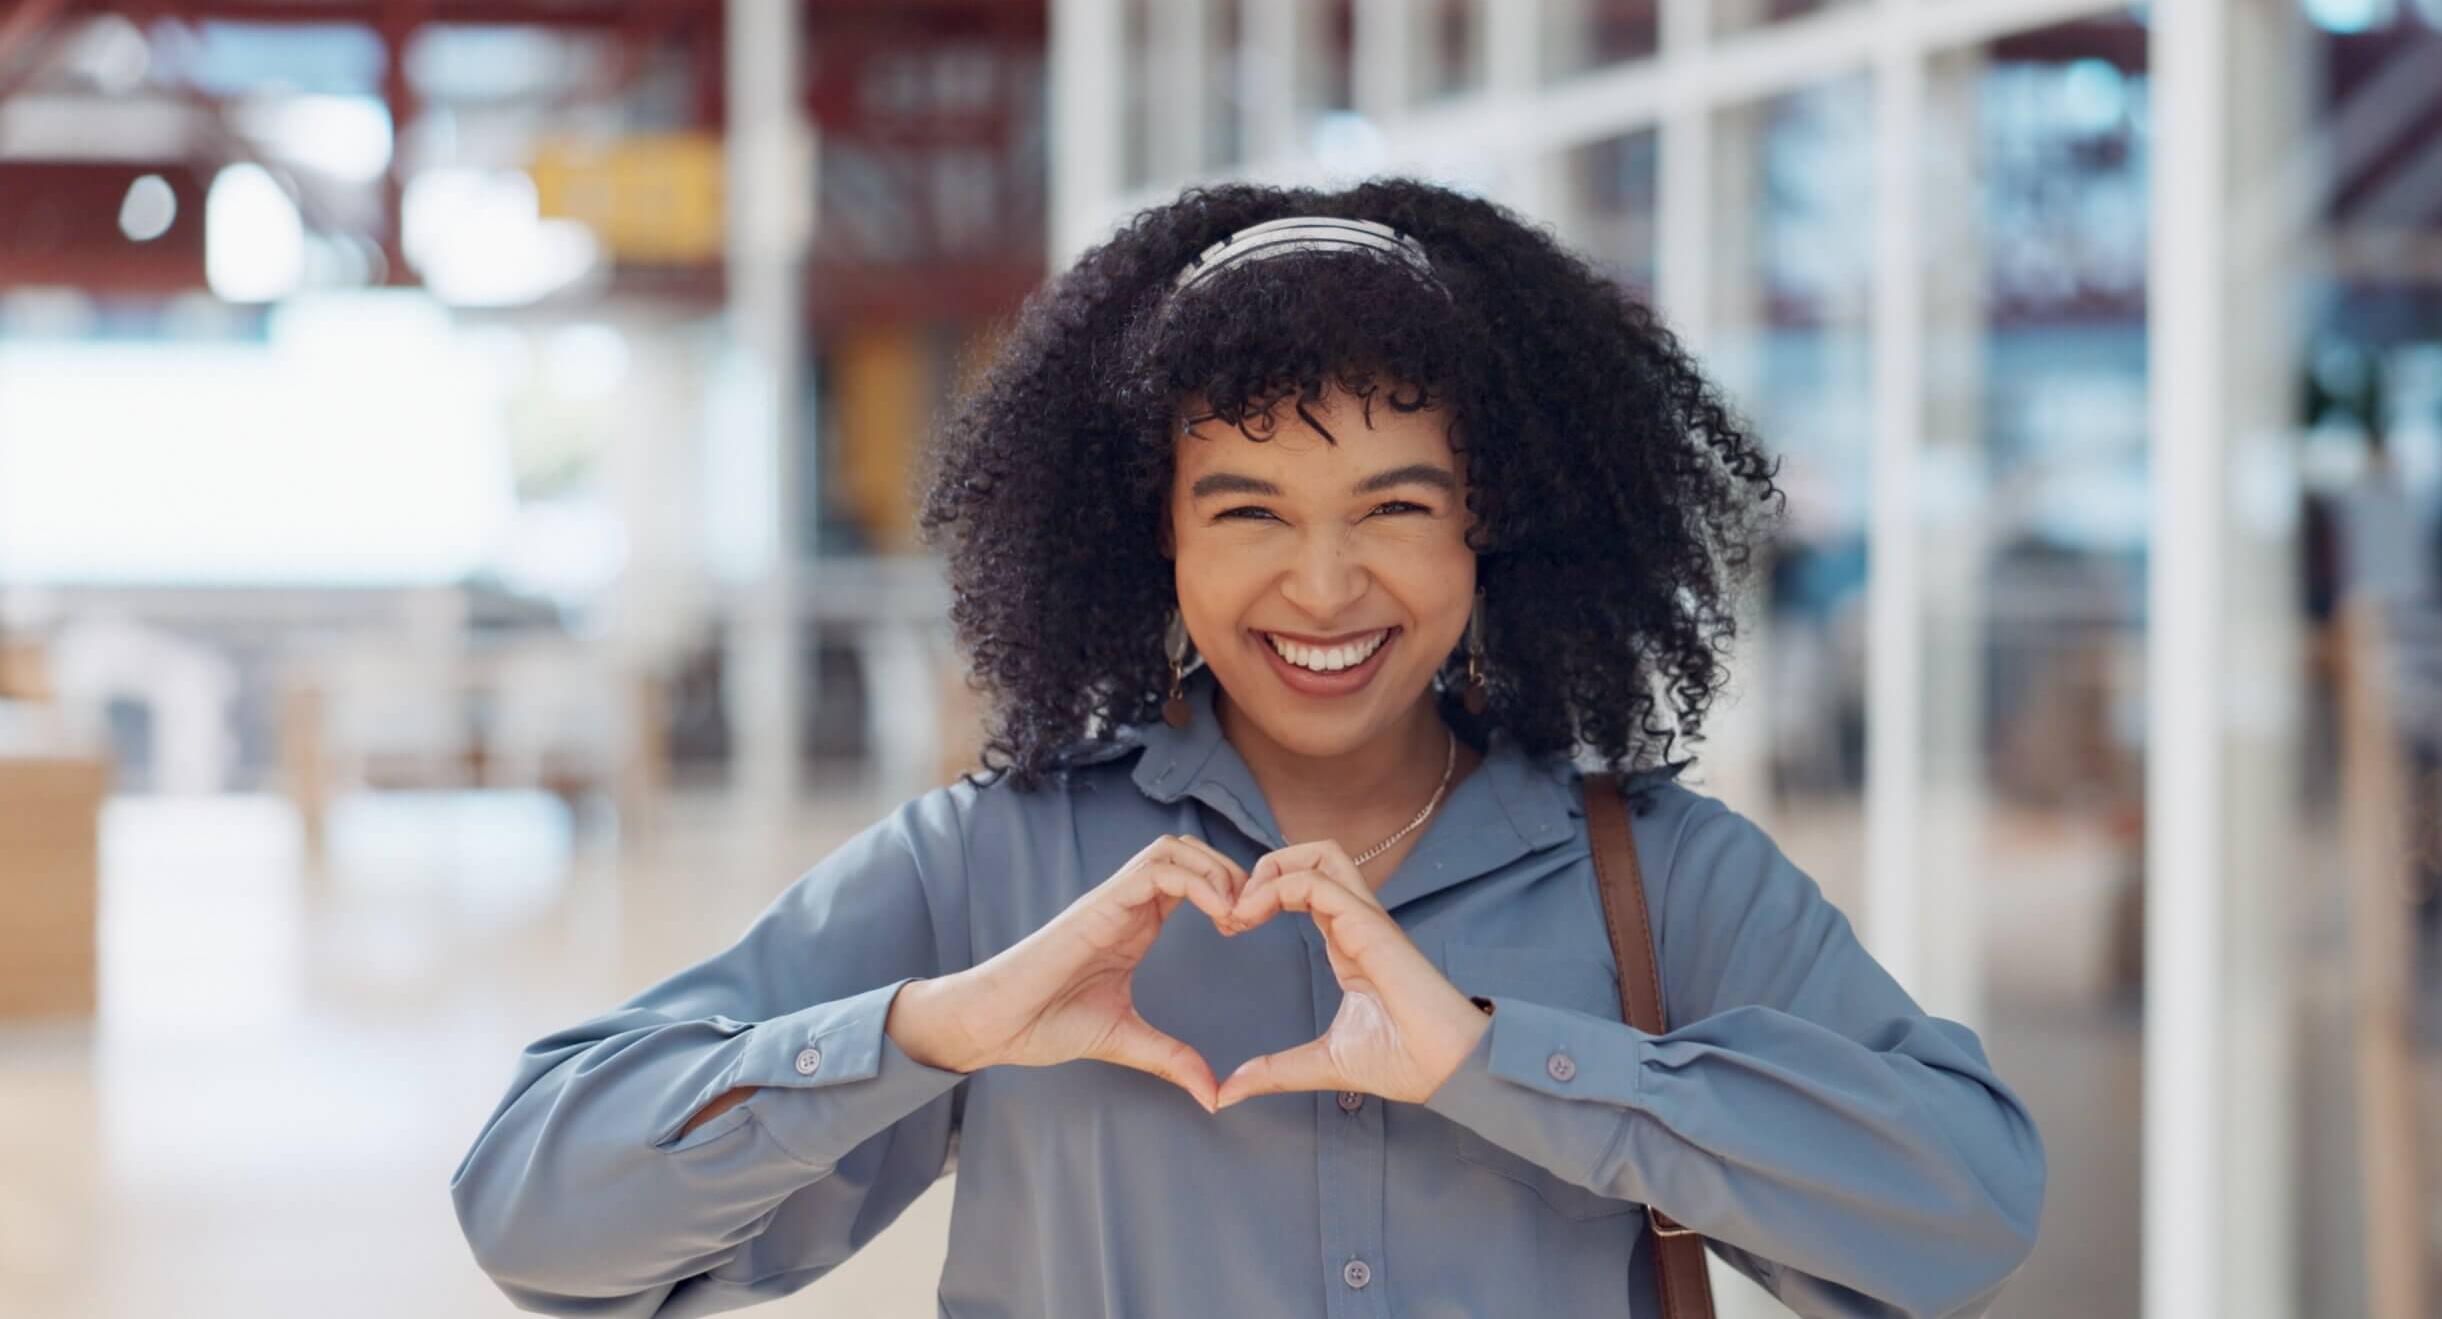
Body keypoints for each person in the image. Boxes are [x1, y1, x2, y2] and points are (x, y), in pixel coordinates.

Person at [449, 178, 2046, 1318]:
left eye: (1397, 509)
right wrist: (929, 1030)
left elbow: (1965, 1214)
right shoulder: (995, 866)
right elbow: (534, 1212)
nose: (1327, 585)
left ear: (1493, 525)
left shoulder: (1661, 878)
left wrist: (1514, 1065)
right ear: (1153, 536)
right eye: (1250, 513)